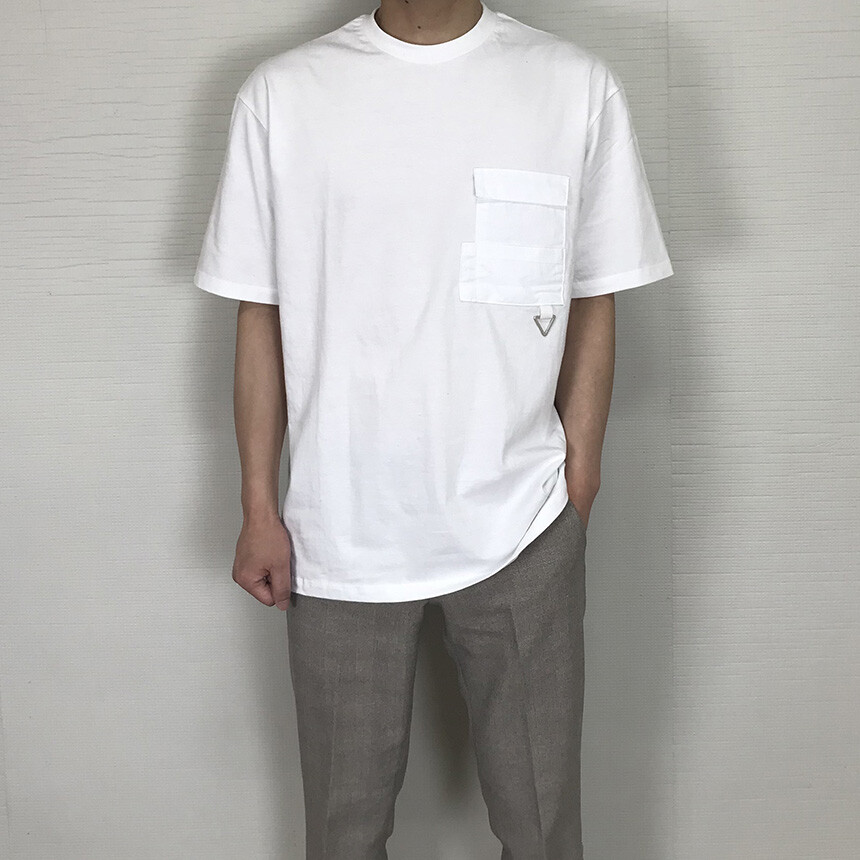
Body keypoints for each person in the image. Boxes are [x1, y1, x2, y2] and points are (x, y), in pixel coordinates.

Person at [194, 1, 673, 857]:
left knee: (543, 830)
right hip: (338, 533)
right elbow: (258, 311)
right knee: (342, 835)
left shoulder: (572, 85)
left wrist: (579, 482)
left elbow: (593, 292)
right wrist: (259, 507)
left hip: (523, 524)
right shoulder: (283, 95)